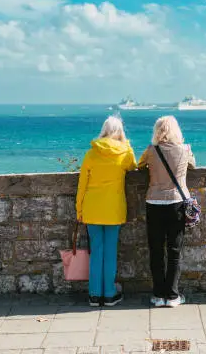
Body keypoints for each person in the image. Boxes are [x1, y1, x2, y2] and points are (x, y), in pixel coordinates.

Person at [76, 115, 137, 307]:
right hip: (113, 208)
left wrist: (79, 209)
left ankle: (94, 294)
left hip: (92, 208)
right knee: (110, 252)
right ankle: (109, 294)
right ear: (119, 131)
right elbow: (133, 166)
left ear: (103, 130)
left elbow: (82, 185)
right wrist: (125, 143)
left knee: (96, 251)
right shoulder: (125, 151)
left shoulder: (91, 153)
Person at [138, 116, 196, 308]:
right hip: (176, 203)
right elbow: (193, 165)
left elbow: (139, 165)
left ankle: (158, 295)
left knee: (156, 250)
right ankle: (172, 296)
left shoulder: (151, 150)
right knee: (174, 250)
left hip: (154, 202)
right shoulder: (185, 149)